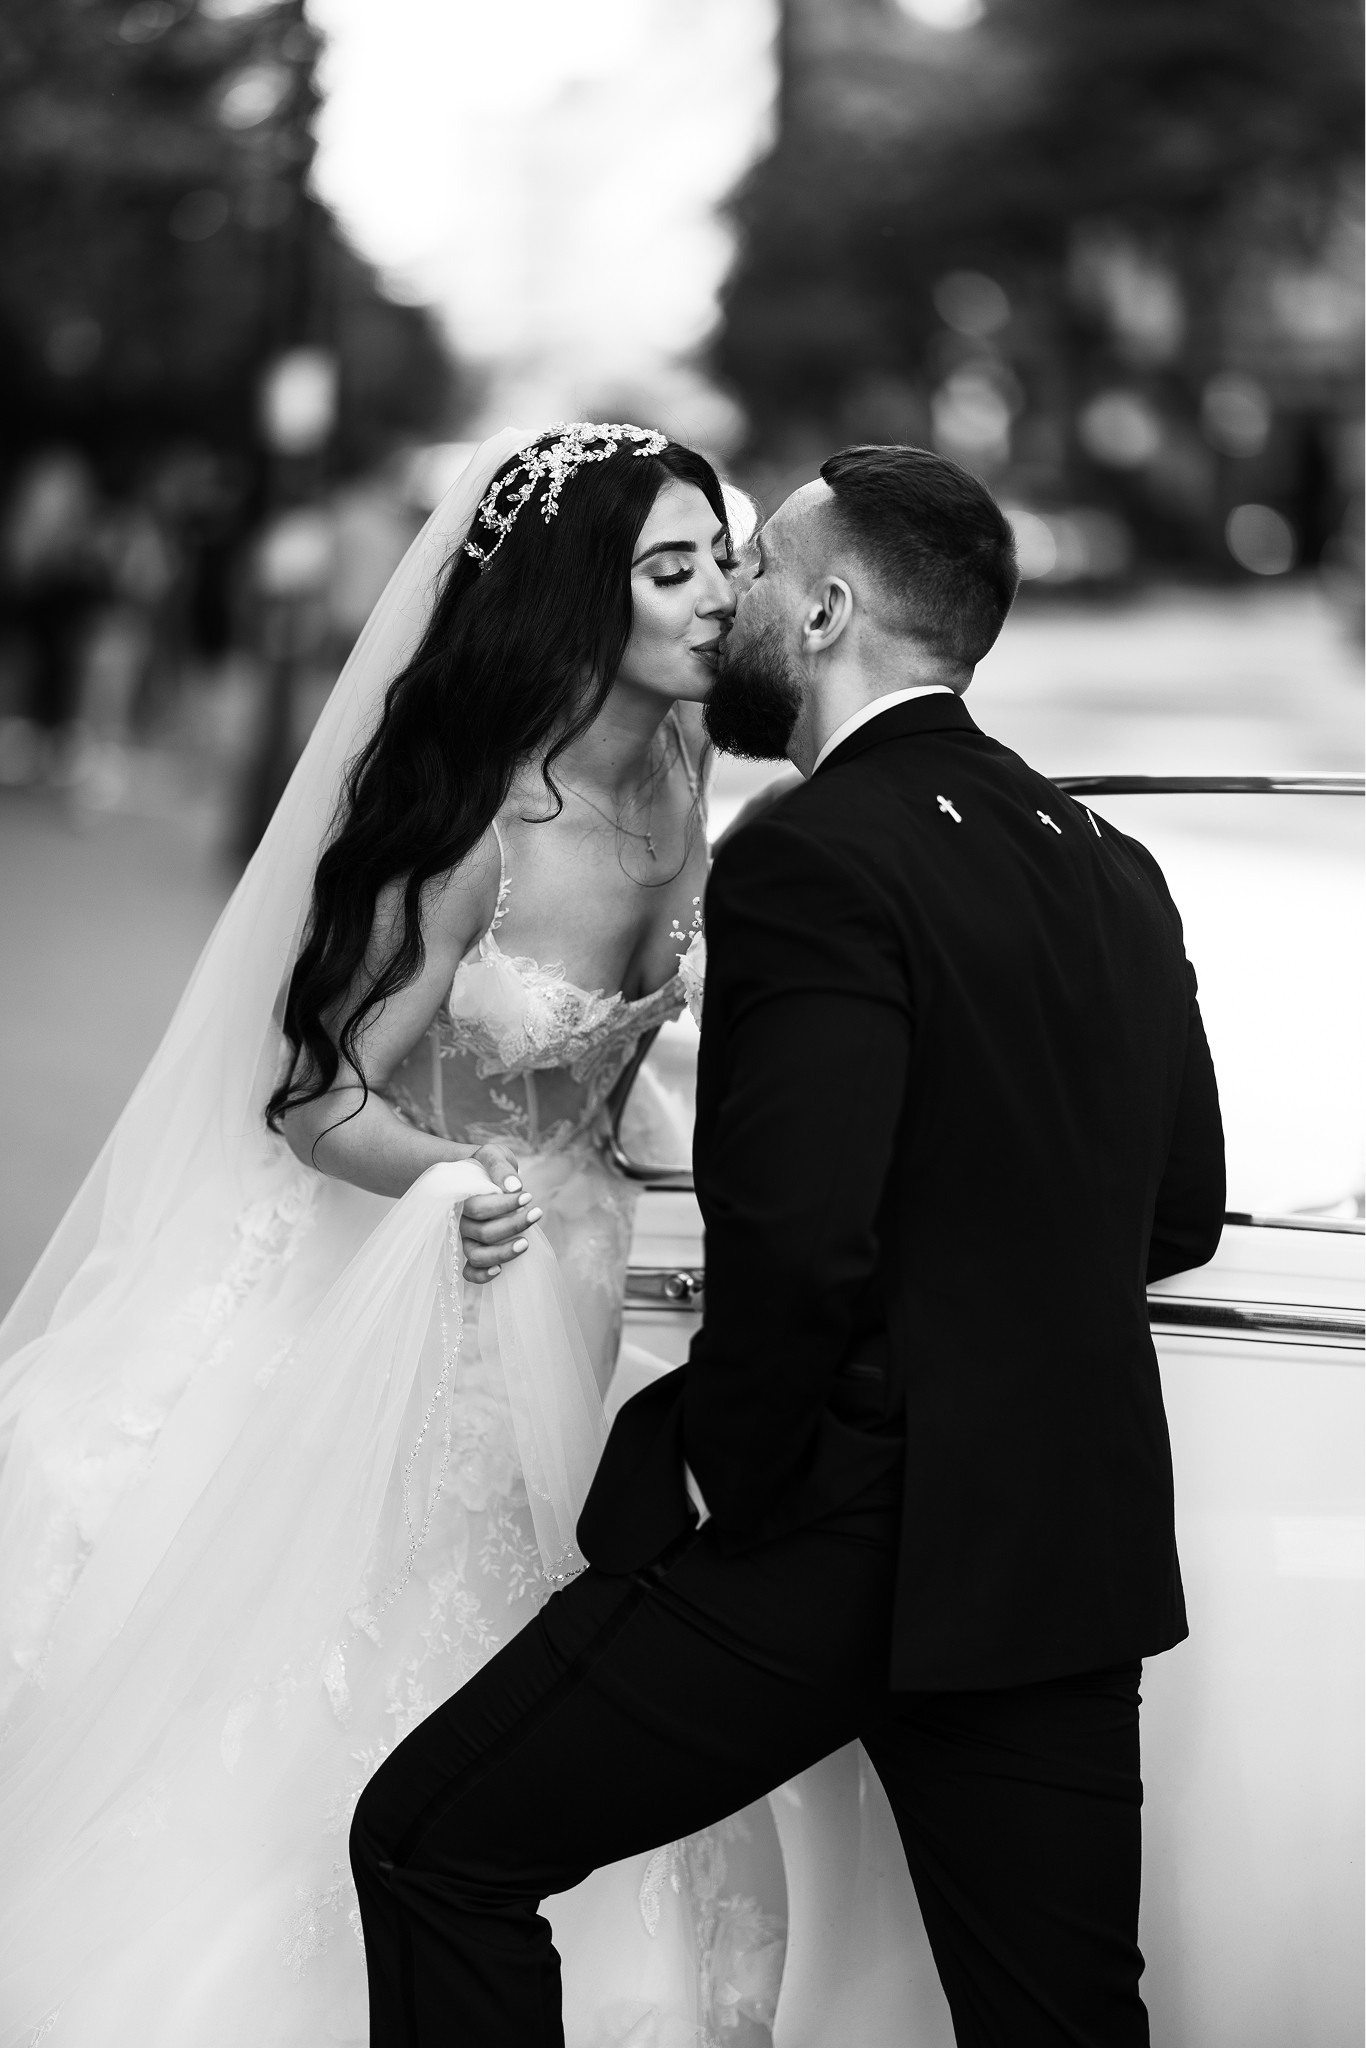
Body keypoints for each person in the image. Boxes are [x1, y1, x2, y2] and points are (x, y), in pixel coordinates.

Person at [350, 443, 1227, 2047]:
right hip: (1058, 1550)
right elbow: (1173, 1211)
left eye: (753, 572)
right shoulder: (1109, 863)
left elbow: (799, 1239)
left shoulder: (808, 855)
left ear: (822, 611)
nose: (726, 597)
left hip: (828, 1534)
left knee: (428, 1845)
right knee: (1064, 2019)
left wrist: (715, 1482)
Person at [0, 426, 866, 2047]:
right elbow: (316, 1098)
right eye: (666, 568)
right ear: (567, 597)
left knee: (586, 1611)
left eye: (721, 560)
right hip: (449, 1276)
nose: (714, 598)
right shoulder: (480, 815)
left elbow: (616, 1054)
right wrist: (450, 1186)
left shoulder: (683, 774)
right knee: (426, 1627)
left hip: (602, 1272)